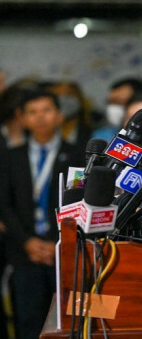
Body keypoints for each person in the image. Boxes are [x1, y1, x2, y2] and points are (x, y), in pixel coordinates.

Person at [0, 89, 83, 339]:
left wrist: (57, 243)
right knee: (28, 322)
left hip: (66, 253)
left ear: (59, 115)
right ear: (22, 118)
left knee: (69, 323)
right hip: (25, 253)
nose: (40, 117)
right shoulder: (9, 158)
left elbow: (78, 201)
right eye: (32, 112)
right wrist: (27, 242)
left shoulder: (78, 156)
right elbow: (4, 206)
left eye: (46, 110)